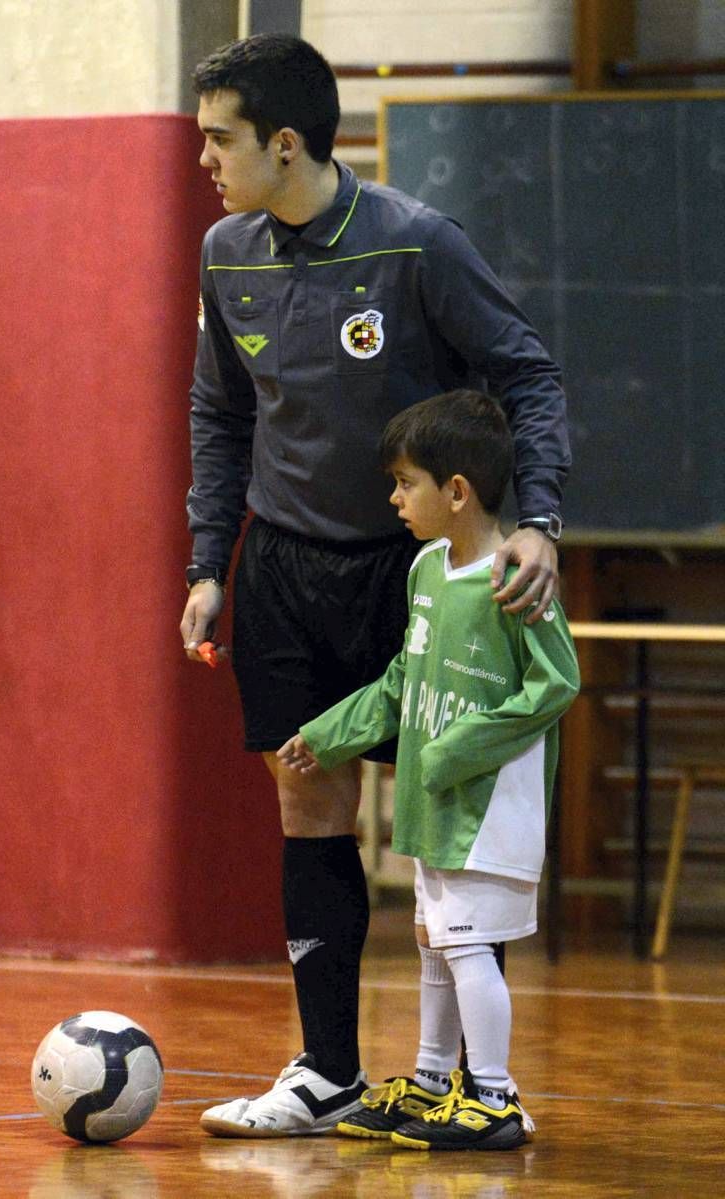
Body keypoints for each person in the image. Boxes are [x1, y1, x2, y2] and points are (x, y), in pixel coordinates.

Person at [181, 33, 571, 1138]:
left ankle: (467, 1081)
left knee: (439, 827)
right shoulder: (223, 251)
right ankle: (326, 1069)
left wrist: (533, 522)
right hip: (284, 567)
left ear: (286, 142)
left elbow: (526, 375)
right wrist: (210, 561)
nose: (204, 160)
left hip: (414, 577)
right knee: (308, 795)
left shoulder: (415, 246)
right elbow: (219, 413)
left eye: (220, 139)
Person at [276, 389, 579, 1150]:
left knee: (469, 942)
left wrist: (457, 747)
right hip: (433, 802)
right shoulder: (425, 571)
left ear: (456, 491)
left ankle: (496, 1096)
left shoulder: (516, 580)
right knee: (433, 938)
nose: (394, 496)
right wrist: (331, 734)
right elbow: (400, 680)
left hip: (485, 803)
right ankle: (433, 1079)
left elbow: (557, 683)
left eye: (405, 481)